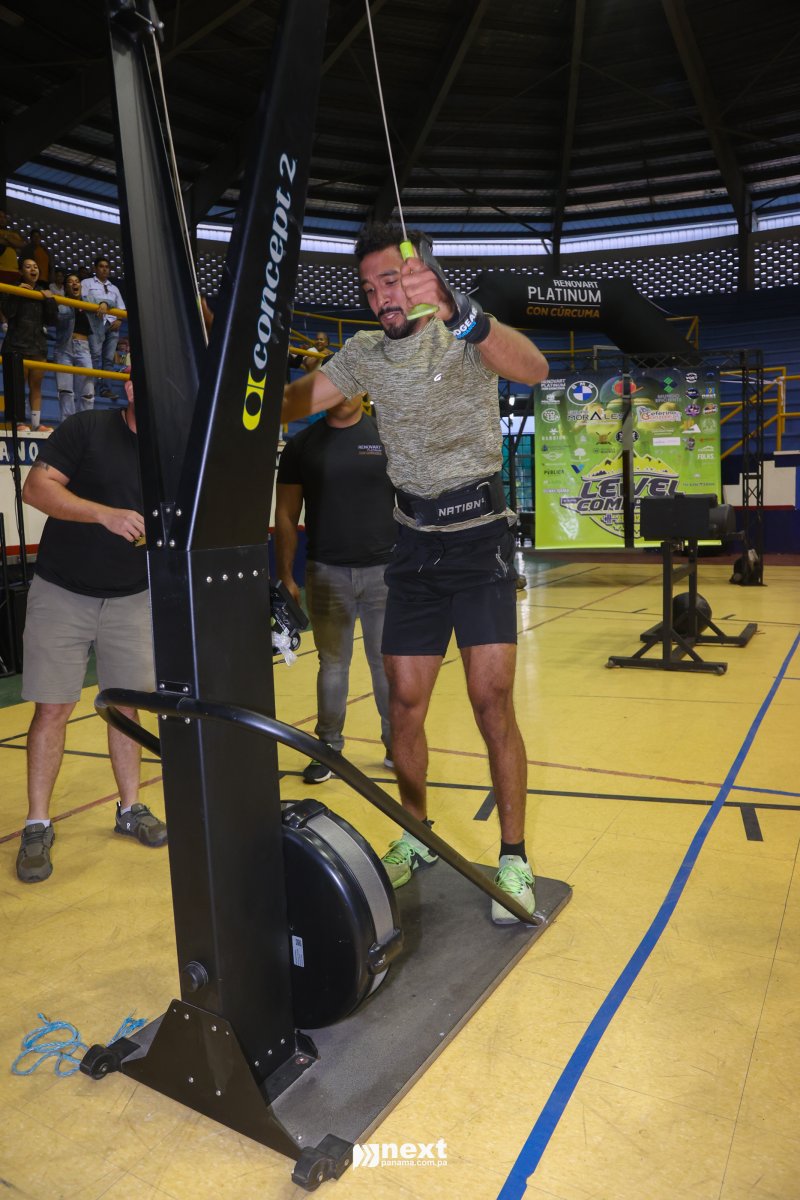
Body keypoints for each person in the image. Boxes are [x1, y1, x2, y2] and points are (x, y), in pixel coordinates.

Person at [282, 222, 549, 923]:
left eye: (391, 281)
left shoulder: (465, 334)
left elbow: (534, 368)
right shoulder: (364, 354)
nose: (380, 298)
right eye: (369, 288)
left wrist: (465, 315)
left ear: (423, 276)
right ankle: (416, 832)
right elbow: (290, 404)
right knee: (403, 703)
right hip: (413, 550)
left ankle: (514, 857)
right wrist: (237, 378)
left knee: (491, 701)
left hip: (480, 543)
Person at [16, 383, 166, 883]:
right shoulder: (86, 428)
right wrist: (103, 513)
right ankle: (37, 823)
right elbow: (36, 489)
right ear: (129, 386)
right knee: (52, 709)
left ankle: (130, 808)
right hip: (63, 592)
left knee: (126, 707)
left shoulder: (172, 449)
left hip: (132, 598)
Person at [275, 393, 396, 782]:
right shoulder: (301, 446)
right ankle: (327, 748)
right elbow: (286, 513)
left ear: (362, 389)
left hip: (385, 573)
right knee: (332, 664)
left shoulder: (387, 434)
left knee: (387, 664)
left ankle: (398, 745)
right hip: (327, 573)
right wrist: (286, 575)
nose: (340, 393)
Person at [0, 255, 58, 432]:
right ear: (20, 271)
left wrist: (49, 300)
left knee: (36, 385)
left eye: (35, 266)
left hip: (38, 345)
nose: (33, 269)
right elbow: (8, 312)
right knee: (18, 386)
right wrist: (17, 293)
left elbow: (51, 320)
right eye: (28, 266)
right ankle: (19, 423)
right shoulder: (12, 289)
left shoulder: (43, 292)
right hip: (16, 344)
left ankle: (36, 424)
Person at [81, 256, 125, 400]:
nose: (104, 269)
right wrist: (104, 303)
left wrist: (119, 319)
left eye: (107, 267)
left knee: (108, 359)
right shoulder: (86, 283)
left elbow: (121, 308)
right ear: (95, 268)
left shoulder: (114, 288)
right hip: (96, 323)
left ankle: (106, 389)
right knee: (94, 355)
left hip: (112, 325)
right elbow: (85, 300)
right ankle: (91, 387)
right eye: (101, 266)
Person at [54, 271, 95, 418]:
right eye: (70, 282)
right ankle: (68, 425)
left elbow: (108, 302)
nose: (74, 283)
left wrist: (105, 303)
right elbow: (58, 317)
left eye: (77, 281)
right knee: (65, 391)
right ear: (65, 287)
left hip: (84, 348)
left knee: (88, 392)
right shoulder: (61, 302)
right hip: (64, 348)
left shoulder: (88, 301)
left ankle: (85, 424)